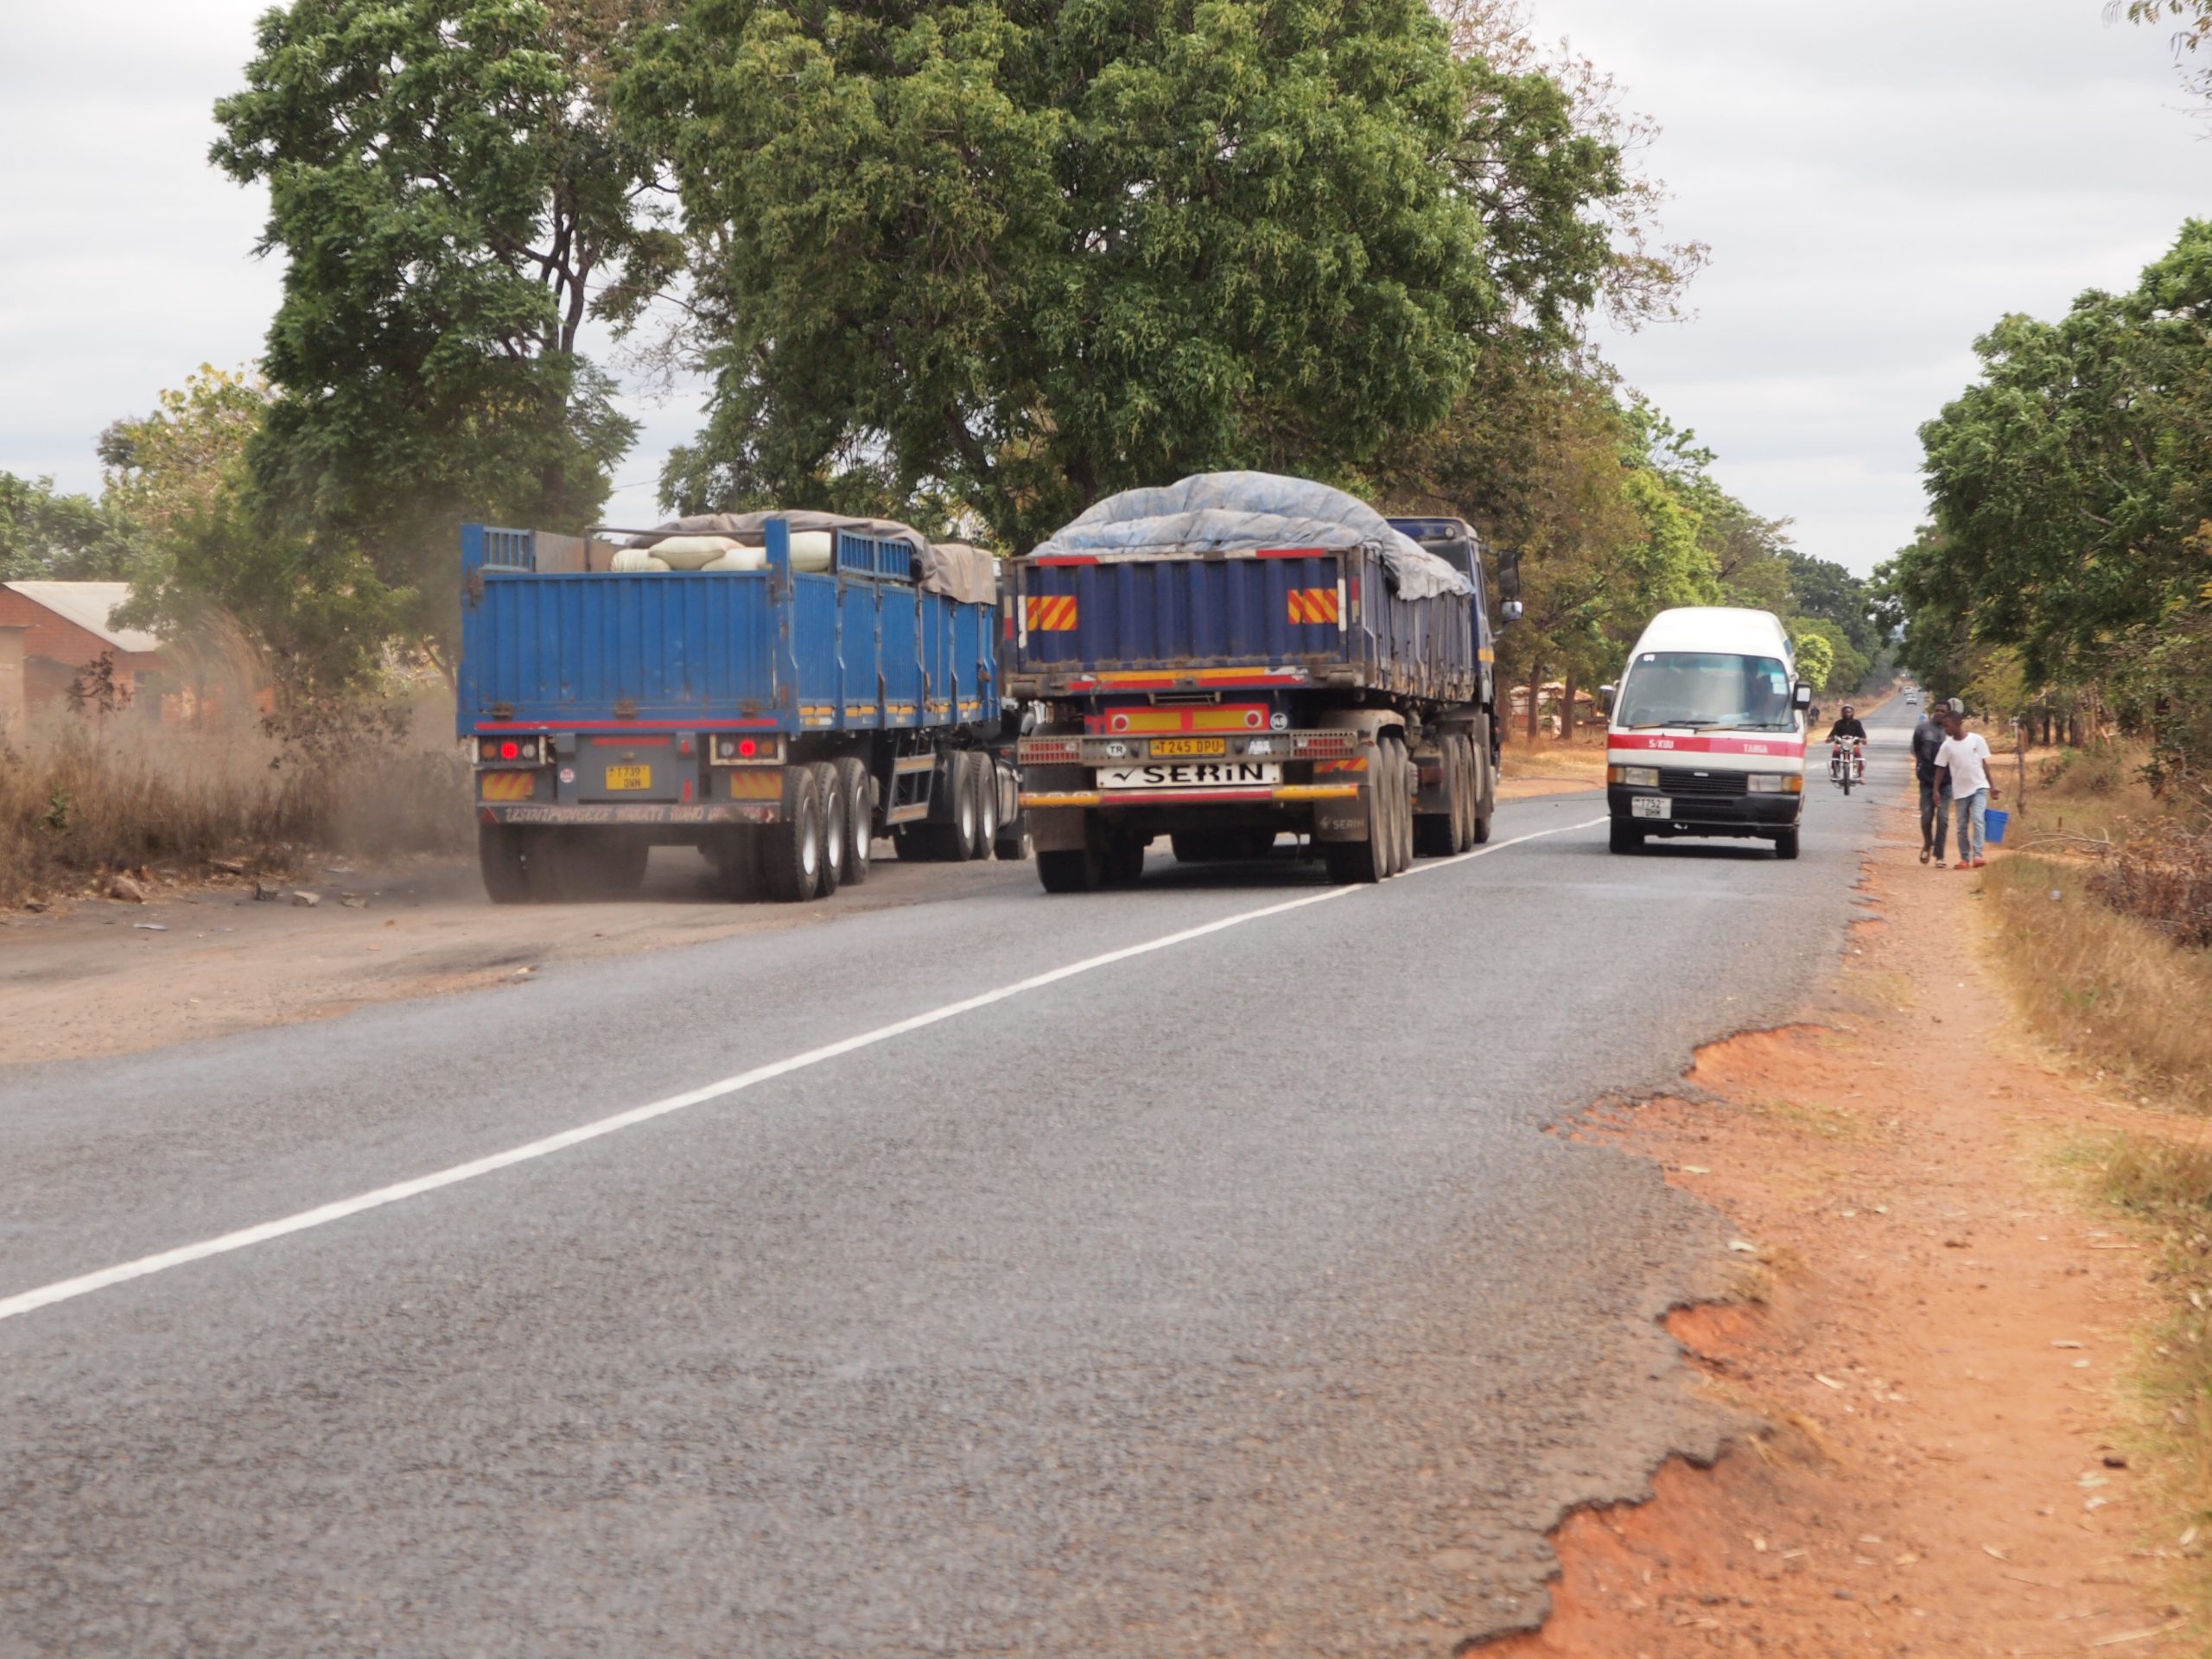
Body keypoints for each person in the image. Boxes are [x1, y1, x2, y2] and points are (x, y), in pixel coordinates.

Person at [1932, 705, 1996, 868]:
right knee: (1961, 826)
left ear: (1958, 723)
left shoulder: (1977, 740)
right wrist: (1935, 790)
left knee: (1978, 818)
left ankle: (1979, 855)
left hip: (1979, 786)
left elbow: (1984, 763)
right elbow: (1941, 768)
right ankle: (1964, 858)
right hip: (1960, 791)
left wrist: (1993, 786)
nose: (1945, 729)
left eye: (1948, 726)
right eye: (1944, 726)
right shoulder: (1947, 746)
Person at [1910, 704, 1949, 864]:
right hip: (1927, 779)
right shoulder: (1922, 729)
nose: (1939, 714)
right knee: (1926, 816)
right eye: (1937, 710)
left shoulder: (1951, 733)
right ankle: (1928, 843)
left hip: (1947, 781)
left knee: (1943, 818)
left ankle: (1939, 855)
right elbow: (1916, 750)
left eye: (1943, 711)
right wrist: (1921, 767)